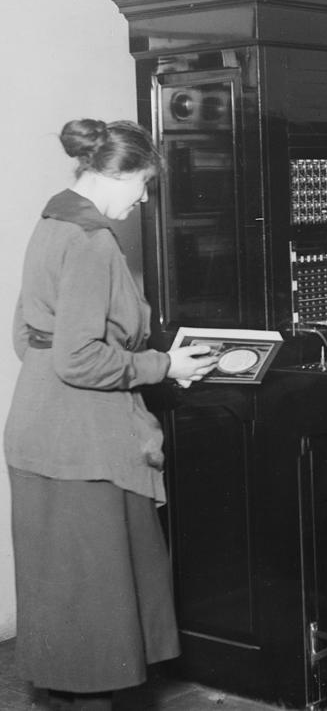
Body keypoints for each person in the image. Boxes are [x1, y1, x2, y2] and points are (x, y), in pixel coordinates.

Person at [4, 118, 219, 710]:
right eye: (143, 185)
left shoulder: (52, 223)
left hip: (38, 431)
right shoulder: (93, 241)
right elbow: (78, 358)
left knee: (66, 602)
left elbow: (28, 337)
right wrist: (161, 368)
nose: (143, 199)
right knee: (103, 611)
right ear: (115, 173)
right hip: (86, 448)